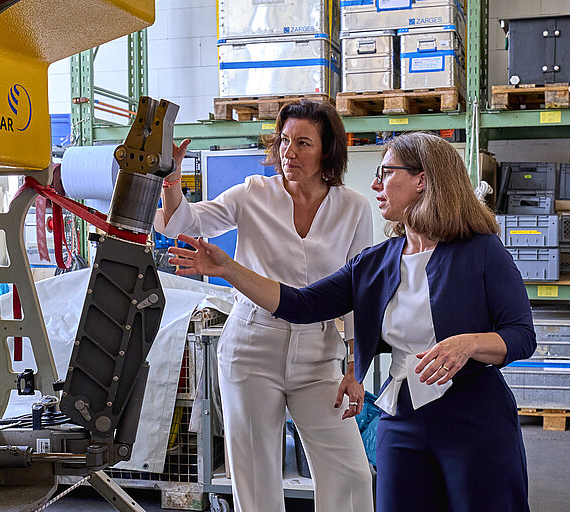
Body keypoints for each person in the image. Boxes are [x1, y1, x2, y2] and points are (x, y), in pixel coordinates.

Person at [168, 132, 535, 512]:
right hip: (403, 419)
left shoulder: (482, 251)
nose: (375, 184)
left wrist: (470, 344)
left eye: (386, 173)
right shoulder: (375, 262)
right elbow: (301, 303)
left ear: (422, 180)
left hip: (474, 419)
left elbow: (522, 336)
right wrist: (228, 268)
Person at [155, 99, 374, 512]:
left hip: (319, 353)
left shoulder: (353, 207)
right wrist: (171, 179)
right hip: (251, 346)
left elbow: (358, 295)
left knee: (350, 474)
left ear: (328, 150)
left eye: (304, 143)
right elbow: (183, 224)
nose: (289, 153)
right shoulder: (254, 192)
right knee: (255, 479)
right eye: (285, 140)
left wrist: (355, 368)